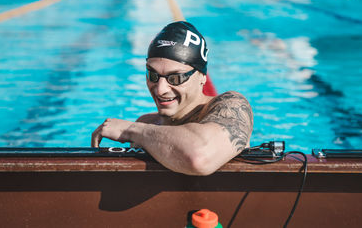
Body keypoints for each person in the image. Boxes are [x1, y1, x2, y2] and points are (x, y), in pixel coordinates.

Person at [92, 21, 253, 175]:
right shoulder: (147, 124)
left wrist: (130, 130)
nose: (160, 89)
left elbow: (199, 157)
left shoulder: (232, 105)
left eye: (175, 78)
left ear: (202, 76)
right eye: (153, 75)